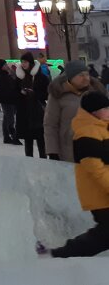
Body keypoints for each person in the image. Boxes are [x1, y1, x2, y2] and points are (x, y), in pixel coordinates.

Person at [44, 91, 109, 258]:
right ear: (95, 112)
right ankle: (61, 254)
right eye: (106, 108)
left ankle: (61, 253)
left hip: (104, 191)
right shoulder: (86, 133)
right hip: (99, 195)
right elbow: (95, 169)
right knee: (104, 235)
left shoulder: (102, 128)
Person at [46, 60, 108, 162]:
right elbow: (50, 124)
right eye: (81, 75)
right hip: (68, 149)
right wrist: (53, 151)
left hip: (96, 146)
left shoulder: (97, 93)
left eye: (87, 74)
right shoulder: (58, 94)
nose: (86, 78)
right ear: (70, 77)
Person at [17, 51, 50, 158]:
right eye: (22, 62)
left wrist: (34, 94)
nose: (23, 64)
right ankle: (29, 161)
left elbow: (46, 93)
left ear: (30, 62)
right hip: (25, 112)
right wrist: (21, 93)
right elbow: (14, 93)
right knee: (28, 140)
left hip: (38, 111)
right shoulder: (20, 77)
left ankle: (43, 160)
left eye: (25, 62)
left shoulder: (41, 77)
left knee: (41, 139)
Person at [0, 58, 21, 145]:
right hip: (7, 100)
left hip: (9, 99)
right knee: (10, 118)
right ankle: (13, 136)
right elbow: (6, 89)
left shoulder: (5, 75)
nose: (7, 66)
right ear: (1, 67)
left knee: (7, 118)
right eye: (5, 65)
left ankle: (6, 136)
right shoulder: (1, 76)